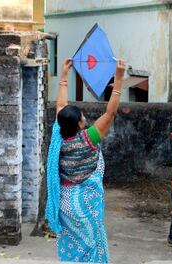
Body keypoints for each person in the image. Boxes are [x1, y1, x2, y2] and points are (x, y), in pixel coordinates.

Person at [45, 58, 125, 263]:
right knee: (92, 246)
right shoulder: (89, 138)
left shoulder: (59, 137)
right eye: (82, 116)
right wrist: (119, 77)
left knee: (74, 247)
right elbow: (111, 112)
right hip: (85, 203)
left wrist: (63, 76)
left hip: (65, 204)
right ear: (80, 124)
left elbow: (61, 106)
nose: (84, 117)